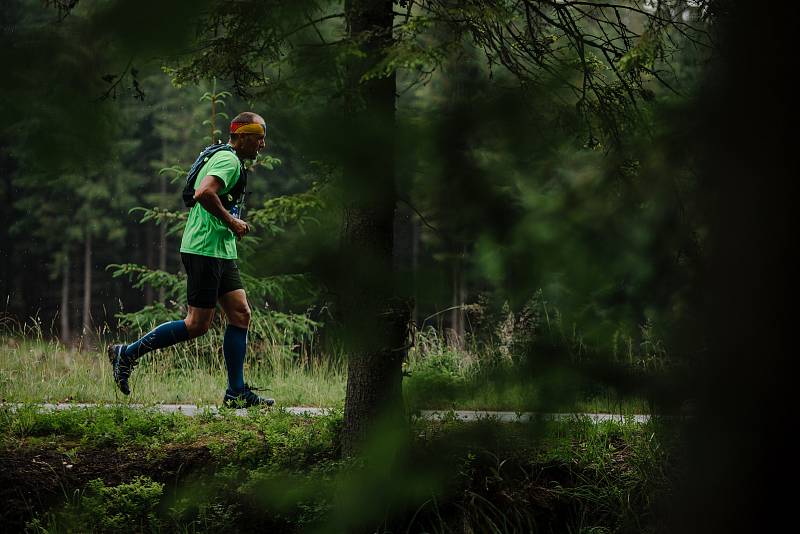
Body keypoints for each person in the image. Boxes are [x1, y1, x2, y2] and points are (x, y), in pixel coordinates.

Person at [107, 112, 273, 408]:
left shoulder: (230, 158)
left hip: (219, 250)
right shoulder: (229, 160)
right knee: (197, 324)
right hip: (204, 249)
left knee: (240, 314)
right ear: (244, 136)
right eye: (259, 137)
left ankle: (236, 392)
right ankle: (127, 354)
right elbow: (203, 193)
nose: (263, 144)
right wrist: (233, 223)